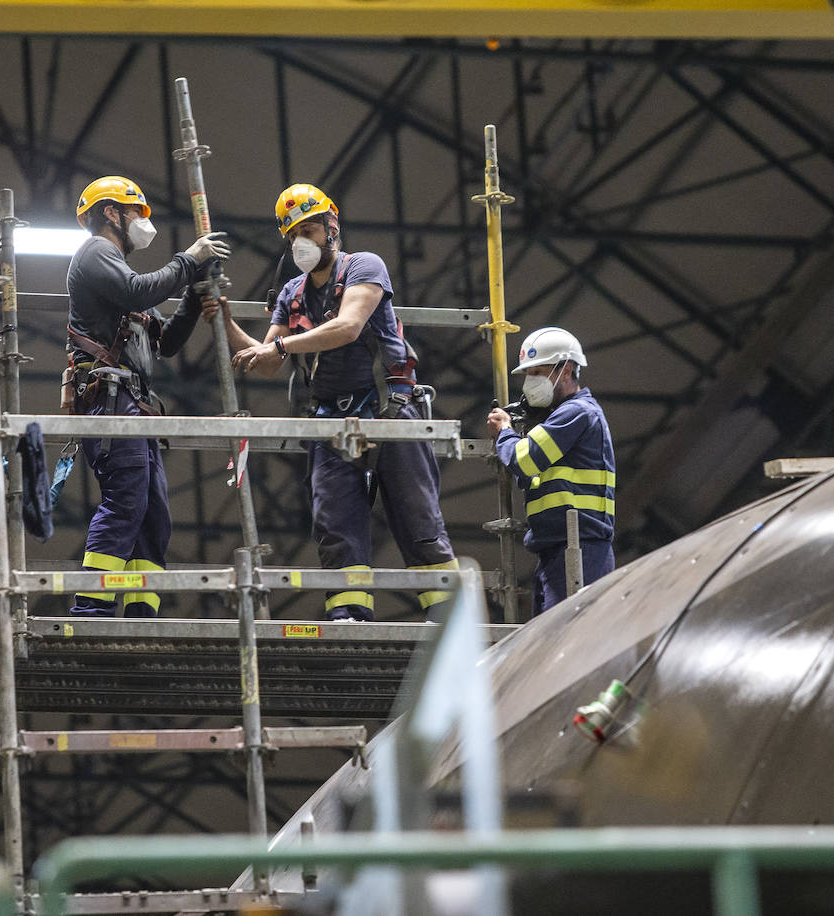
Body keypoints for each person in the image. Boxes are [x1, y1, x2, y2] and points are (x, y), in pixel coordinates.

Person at [227, 183, 456, 621]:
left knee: (418, 520)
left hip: (388, 412)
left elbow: (348, 326)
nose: (302, 242)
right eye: (294, 235)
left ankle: (447, 617)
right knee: (336, 526)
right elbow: (267, 361)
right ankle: (349, 616)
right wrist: (223, 320)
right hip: (330, 419)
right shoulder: (292, 292)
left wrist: (280, 346)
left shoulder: (364, 266)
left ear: (331, 227)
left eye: (309, 230)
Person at [65, 175, 229, 617]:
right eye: (135, 211)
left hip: (134, 406)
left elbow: (167, 342)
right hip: (111, 401)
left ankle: (142, 616)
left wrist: (193, 297)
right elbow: (139, 290)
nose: (142, 220)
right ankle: (92, 611)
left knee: (153, 514)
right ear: (111, 212)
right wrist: (189, 260)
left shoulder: (121, 278)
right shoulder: (96, 253)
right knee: (126, 501)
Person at [486, 326, 615, 615]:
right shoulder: (558, 417)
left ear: (566, 371)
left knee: (570, 635)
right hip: (556, 551)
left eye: (537, 372)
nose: (530, 382)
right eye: (528, 374)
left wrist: (505, 432)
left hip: (579, 550)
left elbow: (525, 460)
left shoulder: (578, 412)